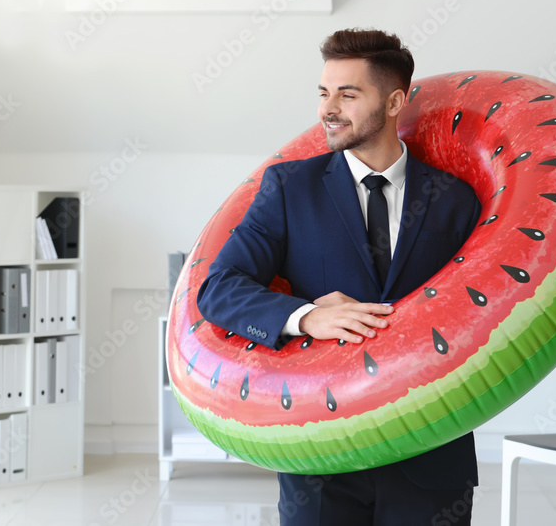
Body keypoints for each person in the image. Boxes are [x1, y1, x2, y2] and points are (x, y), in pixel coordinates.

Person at [196, 28, 481, 525]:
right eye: (324, 93)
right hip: (319, 459)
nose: (329, 109)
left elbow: (479, 310)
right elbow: (218, 288)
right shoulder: (289, 188)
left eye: (348, 95)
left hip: (431, 453)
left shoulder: (456, 200)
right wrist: (304, 317)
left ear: (395, 101)